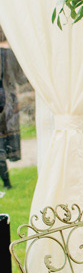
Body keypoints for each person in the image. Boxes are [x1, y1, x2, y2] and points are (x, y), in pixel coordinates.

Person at [0, 34, 25, 191]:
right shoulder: (9, 54)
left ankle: (7, 181)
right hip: (8, 103)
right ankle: (7, 182)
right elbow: (21, 79)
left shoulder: (8, 54)